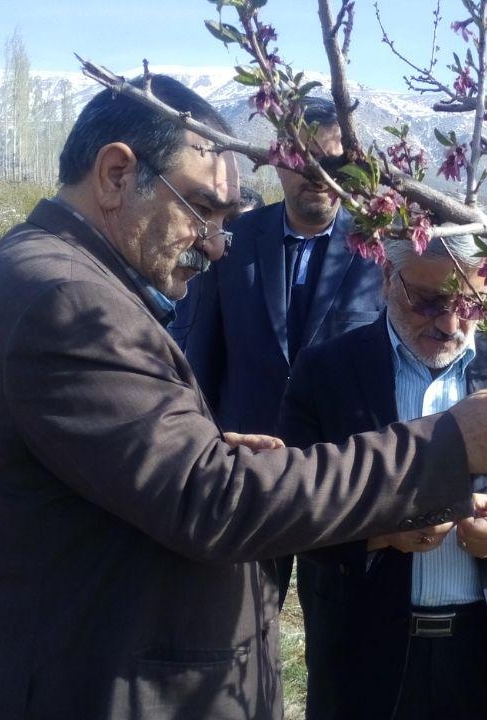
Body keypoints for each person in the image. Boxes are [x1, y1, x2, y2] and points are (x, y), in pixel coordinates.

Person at [0, 74, 487, 720]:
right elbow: (208, 500)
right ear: (117, 175)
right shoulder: (67, 300)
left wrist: (208, 450)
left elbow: (128, 471)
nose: (214, 244)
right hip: (78, 680)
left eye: (224, 218)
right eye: (202, 209)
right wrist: (449, 443)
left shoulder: (50, 279)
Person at [278, 233, 487, 720]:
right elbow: (290, 508)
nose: (450, 324)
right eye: (427, 302)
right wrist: (379, 533)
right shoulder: (327, 371)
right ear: (387, 278)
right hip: (363, 653)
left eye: (469, 304)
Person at [170, 96, 386, 608]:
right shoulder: (233, 241)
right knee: (237, 621)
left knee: (340, 633)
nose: (316, 174)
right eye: (302, 160)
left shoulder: (379, 249)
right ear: (278, 161)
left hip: (340, 476)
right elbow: (203, 355)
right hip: (248, 473)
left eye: (332, 162)